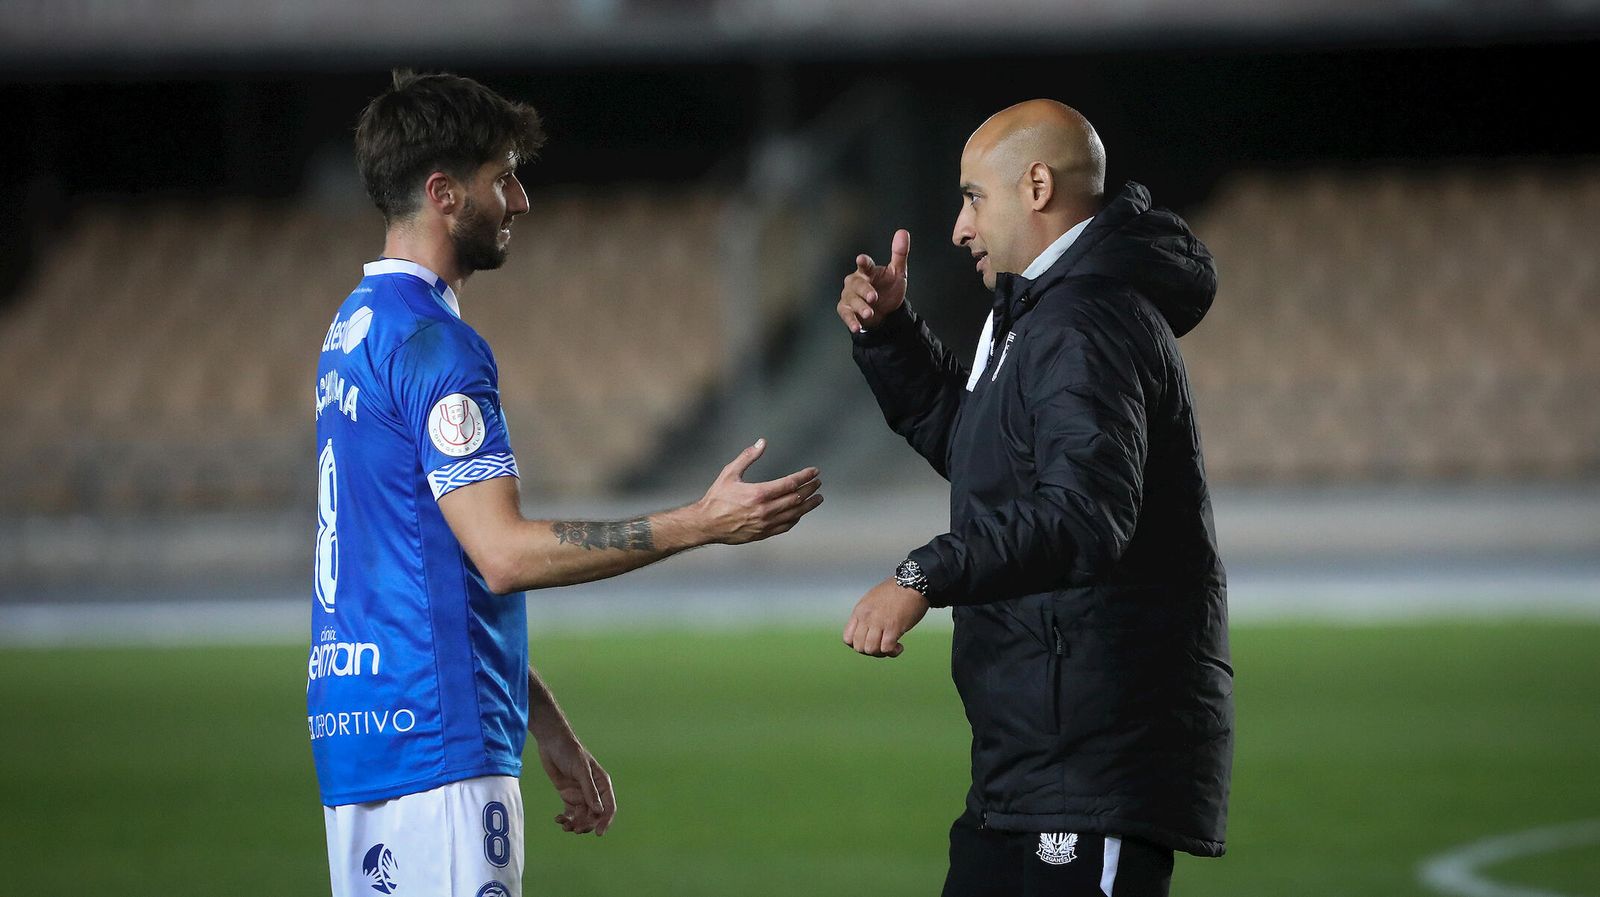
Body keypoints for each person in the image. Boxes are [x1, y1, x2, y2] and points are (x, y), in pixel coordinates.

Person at [310, 70, 824, 897]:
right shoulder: (437, 347)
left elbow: (436, 564)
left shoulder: (354, 328)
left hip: (364, 731)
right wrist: (698, 522)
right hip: (435, 740)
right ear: (443, 193)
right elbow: (503, 553)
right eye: (503, 176)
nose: (520, 200)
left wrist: (536, 718)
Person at [836, 100, 1232, 896]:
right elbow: (986, 456)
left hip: (1091, 764)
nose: (959, 226)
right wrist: (892, 339)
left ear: (1038, 186)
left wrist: (924, 573)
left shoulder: (1088, 320)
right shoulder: (1037, 312)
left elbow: (1085, 515)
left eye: (973, 197)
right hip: (1032, 762)